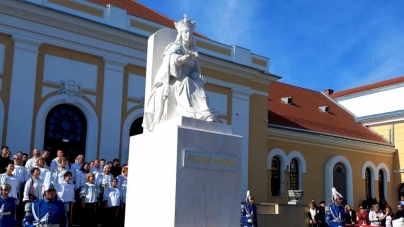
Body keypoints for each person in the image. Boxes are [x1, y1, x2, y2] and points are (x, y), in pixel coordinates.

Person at [142, 14, 215, 131]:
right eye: (186, 32)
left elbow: (195, 71)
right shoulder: (176, 46)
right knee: (186, 82)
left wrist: (196, 75)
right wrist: (180, 59)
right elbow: (170, 57)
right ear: (181, 34)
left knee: (199, 86)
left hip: (189, 80)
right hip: (175, 79)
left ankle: (205, 113)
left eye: (190, 33)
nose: (188, 35)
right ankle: (190, 112)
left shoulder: (193, 51)